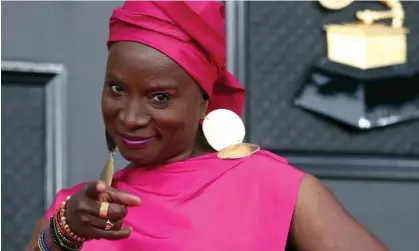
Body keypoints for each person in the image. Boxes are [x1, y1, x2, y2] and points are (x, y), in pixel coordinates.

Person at [27, 1, 388, 251]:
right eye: (117, 89)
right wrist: (62, 232)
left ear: (203, 100)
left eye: (160, 98)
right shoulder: (77, 208)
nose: (130, 117)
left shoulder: (271, 186)